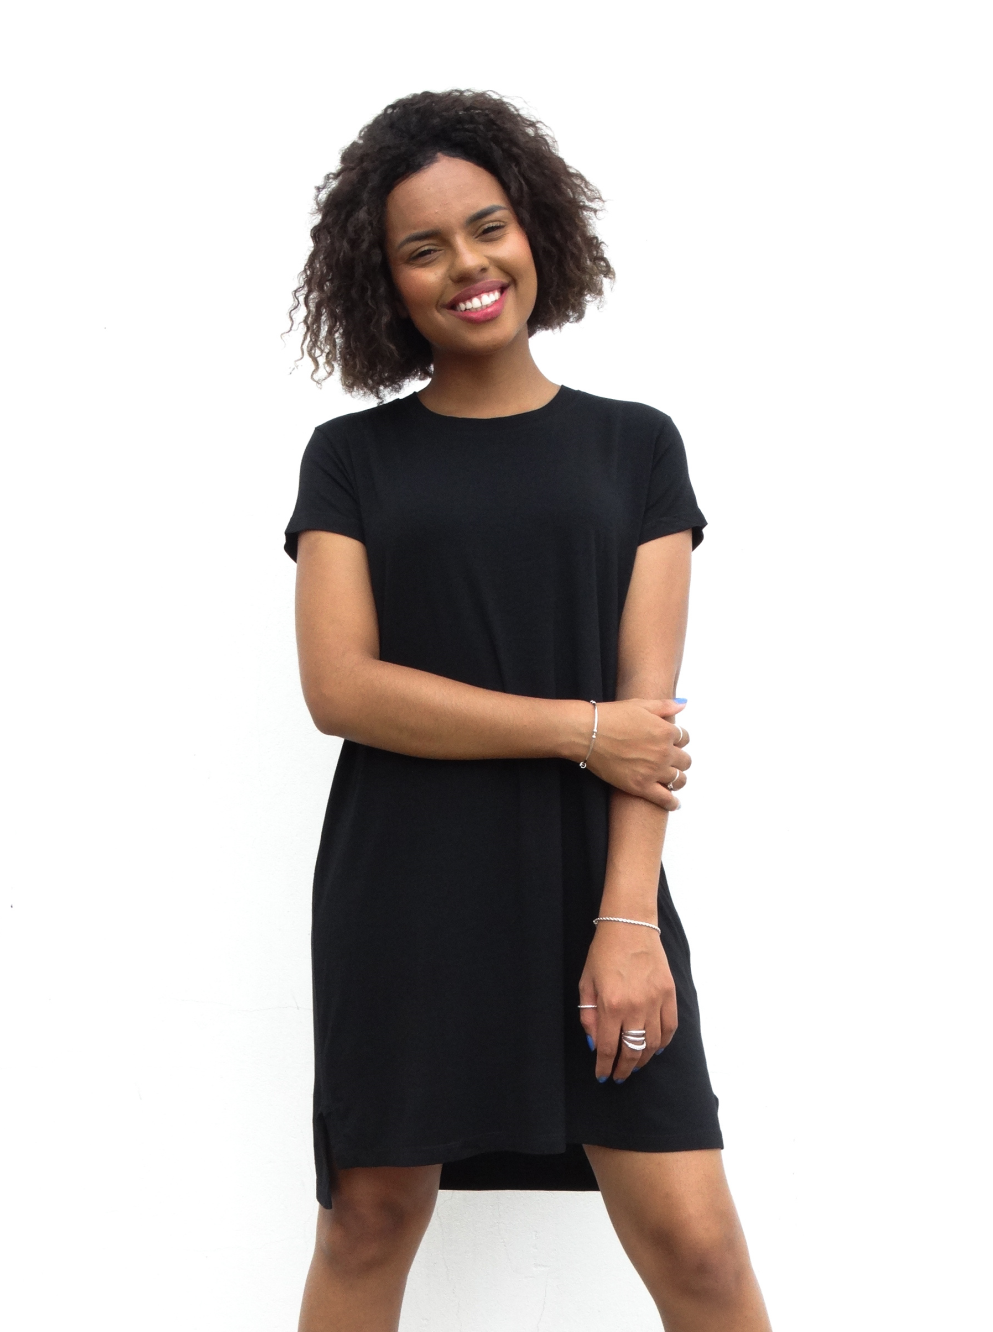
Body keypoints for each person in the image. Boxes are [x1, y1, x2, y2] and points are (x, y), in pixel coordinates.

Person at [284, 89, 771, 1332]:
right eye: (423, 248)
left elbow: (647, 720)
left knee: (698, 1248)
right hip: (407, 894)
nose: (467, 264)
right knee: (369, 1221)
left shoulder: (636, 448)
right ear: (383, 281)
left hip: (594, 885)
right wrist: (576, 727)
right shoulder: (349, 460)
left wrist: (628, 920)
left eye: (486, 227)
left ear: (535, 228)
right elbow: (341, 688)